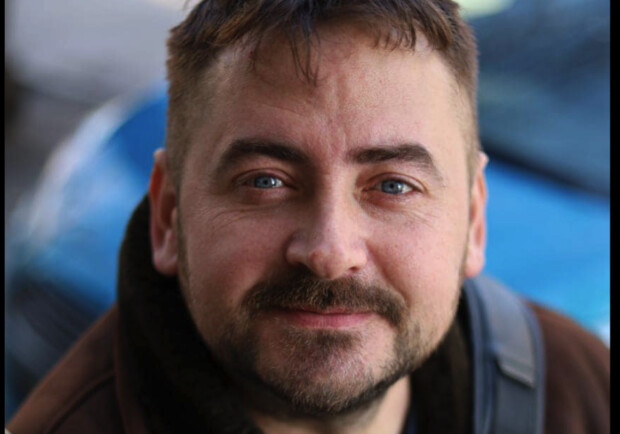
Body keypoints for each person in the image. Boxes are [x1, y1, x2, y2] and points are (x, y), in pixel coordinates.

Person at [7, 1, 609, 433]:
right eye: (265, 181)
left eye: (393, 185)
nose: (329, 251)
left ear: (474, 221)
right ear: (167, 217)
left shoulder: (581, 391)